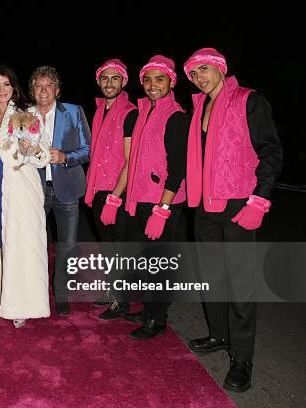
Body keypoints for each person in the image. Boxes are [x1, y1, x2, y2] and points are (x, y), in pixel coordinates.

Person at [183, 48, 283, 392]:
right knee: (212, 277)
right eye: (194, 74)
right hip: (205, 206)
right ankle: (219, 336)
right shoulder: (198, 107)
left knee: (241, 285)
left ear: (221, 68)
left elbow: (270, 151)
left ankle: (242, 359)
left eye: (205, 70)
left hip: (239, 203)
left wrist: (260, 199)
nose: (199, 77)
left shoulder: (249, 100)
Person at [0, 65, 51, 328]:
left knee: (19, 243)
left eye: (6, 84)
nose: (1, 90)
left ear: (13, 87)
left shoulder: (27, 114)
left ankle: (20, 303)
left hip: (20, 189)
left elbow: (43, 155)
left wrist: (33, 148)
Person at [123, 55, 190, 340]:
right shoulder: (144, 113)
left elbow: (178, 168)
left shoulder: (176, 116)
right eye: (148, 80)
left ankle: (159, 320)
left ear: (171, 82)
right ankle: (149, 309)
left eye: (159, 79)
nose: (153, 85)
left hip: (163, 202)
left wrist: (163, 208)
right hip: (143, 198)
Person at [28, 66, 91, 316]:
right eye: (38, 86)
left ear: (57, 89)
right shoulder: (24, 115)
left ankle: (62, 294)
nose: (43, 91)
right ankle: (36, 293)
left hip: (67, 188)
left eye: (48, 85)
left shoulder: (74, 112)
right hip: (34, 190)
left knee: (68, 244)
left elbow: (88, 150)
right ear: (32, 90)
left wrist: (66, 156)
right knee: (34, 244)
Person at [83, 59, 137, 317]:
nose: (109, 83)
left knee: (119, 246)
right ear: (98, 81)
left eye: (115, 78)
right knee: (106, 244)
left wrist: (116, 196)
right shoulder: (98, 110)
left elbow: (130, 159)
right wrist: (92, 189)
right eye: (105, 78)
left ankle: (121, 302)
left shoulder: (130, 112)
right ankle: (112, 290)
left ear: (124, 82)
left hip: (119, 190)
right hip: (100, 188)